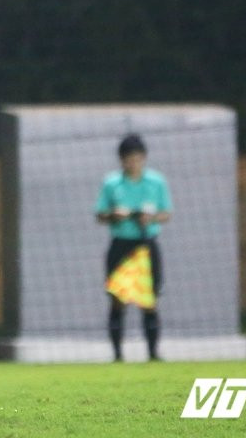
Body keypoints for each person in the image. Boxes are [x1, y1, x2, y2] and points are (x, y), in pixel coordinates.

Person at [95, 133, 172, 361]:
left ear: (144, 158)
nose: (133, 163)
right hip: (121, 245)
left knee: (149, 300)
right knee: (117, 299)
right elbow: (99, 214)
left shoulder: (156, 182)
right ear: (121, 160)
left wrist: (151, 218)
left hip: (146, 244)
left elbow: (166, 213)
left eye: (137, 158)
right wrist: (114, 215)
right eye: (128, 159)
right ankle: (117, 355)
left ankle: (153, 354)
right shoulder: (111, 183)